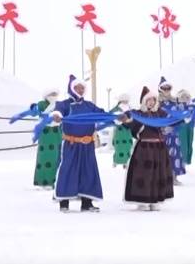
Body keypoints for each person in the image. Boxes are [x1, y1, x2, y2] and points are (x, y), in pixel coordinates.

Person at [51, 75, 108, 213]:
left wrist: (117, 116)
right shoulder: (64, 104)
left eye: (82, 88)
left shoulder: (89, 105)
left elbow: (102, 114)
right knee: (67, 170)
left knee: (88, 171)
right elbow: (58, 112)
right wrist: (57, 116)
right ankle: (64, 203)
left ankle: (87, 203)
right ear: (72, 88)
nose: (80, 90)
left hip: (87, 145)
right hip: (71, 144)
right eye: (77, 87)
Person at [122, 87, 175, 211]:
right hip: (144, 148)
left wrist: (184, 116)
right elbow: (128, 121)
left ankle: (155, 200)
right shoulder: (138, 114)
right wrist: (124, 118)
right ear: (144, 101)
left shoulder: (160, 113)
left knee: (158, 174)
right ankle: (143, 201)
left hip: (159, 148)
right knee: (144, 174)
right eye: (149, 100)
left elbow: (172, 120)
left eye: (153, 100)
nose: (151, 102)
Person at [31, 89, 63, 188]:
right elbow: (34, 112)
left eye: (55, 94)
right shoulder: (41, 104)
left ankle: (55, 181)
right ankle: (42, 181)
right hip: (45, 134)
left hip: (57, 133)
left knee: (57, 157)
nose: (53, 96)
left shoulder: (59, 105)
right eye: (51, 94)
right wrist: (34, 108)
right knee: (44, 157)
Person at [157, 77, 185, 183]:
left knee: (174, 156)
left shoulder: (175, 102)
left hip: (173, 133)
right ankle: (162, 177)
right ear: (160, 89)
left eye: (168, 88)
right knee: (162, 156)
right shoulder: (157, 103)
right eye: (164, 88)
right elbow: (154, 118)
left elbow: (179, 118)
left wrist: (174, 126)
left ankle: (174, 177)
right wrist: (161, 128)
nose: (166, 90)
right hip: (161, 134)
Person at [109, 94, 134, 169]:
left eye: (126, 100)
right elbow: (111, 115)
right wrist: (119, 119)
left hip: (127, 131)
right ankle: (116, 161)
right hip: (119, 130)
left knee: (127, 147)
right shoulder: (116, 108)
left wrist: (130, 121)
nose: (125, 101)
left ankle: (126, 162)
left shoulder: (130, 108)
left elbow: (134, 117)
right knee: (118, 147)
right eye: (124, 100)